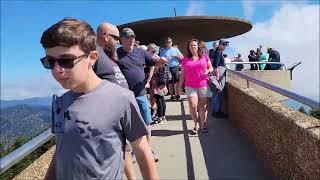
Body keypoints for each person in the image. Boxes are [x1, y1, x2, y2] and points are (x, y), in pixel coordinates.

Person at [41, 18, 158, 180]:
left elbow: (142, 151)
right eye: (50, 62)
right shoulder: (59, 102)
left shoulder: (121, 99)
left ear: (92, 57)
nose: (57, 70)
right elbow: (61, 149)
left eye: (66, 60)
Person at [117, 27, 167, 162]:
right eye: (127, 37)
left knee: (146, 122)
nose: (131, 39)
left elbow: (154, 63)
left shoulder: (140, 52)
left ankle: (148, 149)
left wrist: (161, 61)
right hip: (125, 96)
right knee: (130, 125)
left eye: (133, 36)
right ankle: (134, 151)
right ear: (121, 39)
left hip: (140, 94)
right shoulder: (116, 54)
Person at [95, 22, 136, 179]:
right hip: (106, 119)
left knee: (124, 150)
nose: (119, 42)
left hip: (119, 116)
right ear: (106, 36)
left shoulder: (107, 54)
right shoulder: (94, 54)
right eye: (116, 38)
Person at [178, 39, 213, 135]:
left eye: (194, 45)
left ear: (198, 47)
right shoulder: (185, 59)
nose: (193, 47)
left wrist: (208, 71)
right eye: (191, 45)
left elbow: (211, 67)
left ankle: (203, 125)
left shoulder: (204, 57)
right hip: (190, 86)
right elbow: (182, 74)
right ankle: (195, 123)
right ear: (188, 48)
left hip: (203, 84)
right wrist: (180, 87)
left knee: (203, 106)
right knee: (193, 106)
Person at [210, 39, 229, 118]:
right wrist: (217, 77)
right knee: (218, 93)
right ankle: (217, 112)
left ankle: (215, 111)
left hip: (218, 74)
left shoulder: (218, 52)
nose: (225, 46)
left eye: (226, 45)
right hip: (219, 75)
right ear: (220, 44)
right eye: (224, 44)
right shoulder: (218, 52)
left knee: (215, 94)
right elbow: (215, 65)